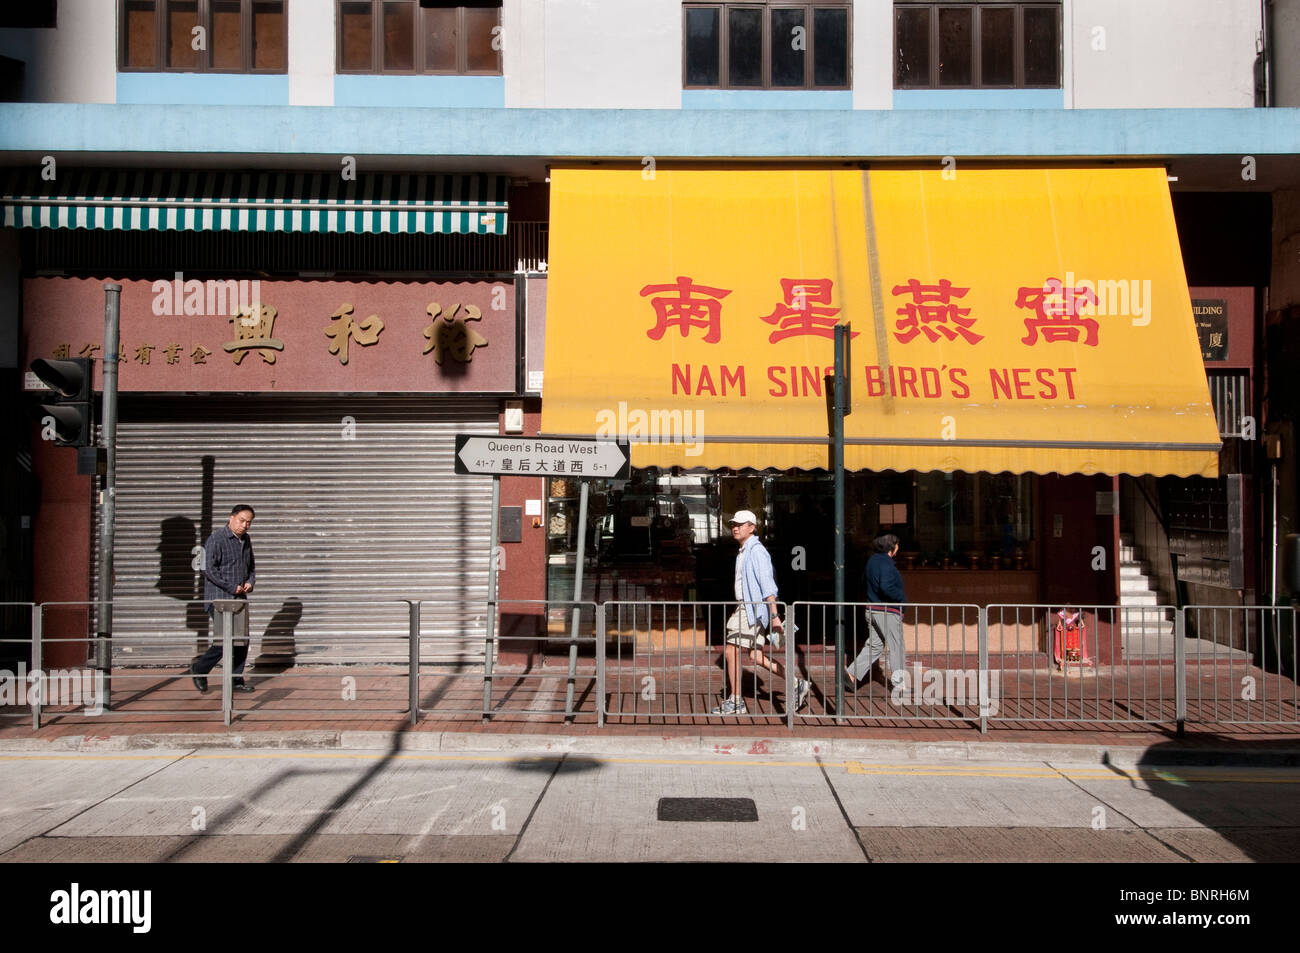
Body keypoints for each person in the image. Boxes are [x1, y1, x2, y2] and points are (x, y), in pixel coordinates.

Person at [712, 509, 810, 715]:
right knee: (756, 656)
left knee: (731, 650)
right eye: (733, 524)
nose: (735, 527)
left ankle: (736, 700)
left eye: (740, 524)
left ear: (752, 527)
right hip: (749, 608)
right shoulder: (746, 550)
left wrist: (774, 615)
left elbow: (768, 585)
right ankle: (796, 683)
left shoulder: (756, 551)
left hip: (750, 608)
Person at [190, 504, 257, 694]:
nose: (245, 525)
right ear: (231, 518)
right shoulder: (216, 539)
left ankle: (235, 680)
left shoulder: (245, 540)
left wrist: (250, 582)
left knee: (242, 640)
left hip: (239, 597)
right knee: (226, 640)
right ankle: (200, 669)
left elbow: (251, 566)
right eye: (242, 520)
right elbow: (208, 570)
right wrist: (230, 586)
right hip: (219, 598)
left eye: (249, 522)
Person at [846, 531, 908, 689]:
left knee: (874, 646)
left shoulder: (872, 561)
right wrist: (901, 598)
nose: (898, 548)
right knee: (897, 646)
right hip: (887, 611)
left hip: (872, 609)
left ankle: (851, 674)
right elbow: (886, 587)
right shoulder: (886, 563)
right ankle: (899, 685)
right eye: (897, 545)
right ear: (892, 547)